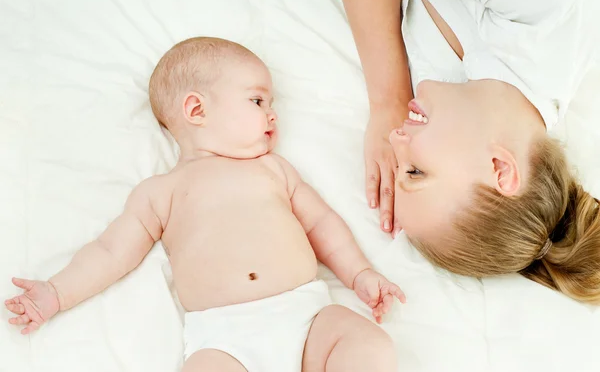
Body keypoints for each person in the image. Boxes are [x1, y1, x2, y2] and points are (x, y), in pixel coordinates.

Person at [4, 37, 405, 372]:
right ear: (197, 109)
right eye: (257, 101)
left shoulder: (274, 169)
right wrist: (55, 292)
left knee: (367, 343)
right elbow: (110, 253)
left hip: (306, 315)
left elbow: (322, 225)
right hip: (224, 340)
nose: (272, 114)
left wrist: (360, 274)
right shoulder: (160, 192)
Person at [338, 0, 600, 303]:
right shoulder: (544, 1)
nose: (394, 140)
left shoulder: (458, 97)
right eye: (416, 171)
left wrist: (389, 102)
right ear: (499, 168)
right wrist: (388, 97)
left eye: (400, 169)